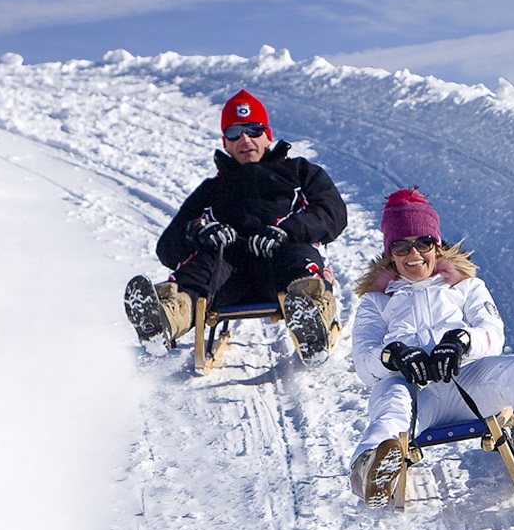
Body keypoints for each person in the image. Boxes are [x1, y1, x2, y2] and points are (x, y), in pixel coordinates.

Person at [347, 188, 514, 506]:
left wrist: (462, 342)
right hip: (416, 397)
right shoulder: (375, 301)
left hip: (468, 386)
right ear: (391, 252)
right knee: (390, 398)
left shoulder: (466, 286)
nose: (413, 253)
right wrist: (393, 356)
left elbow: (493, 333)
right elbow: (364, 363)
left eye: (423, 243)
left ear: (436, 245)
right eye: (402, 245)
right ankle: (370, 470)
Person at [123, 89, 347, 360]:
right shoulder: (212, 189)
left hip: (281, 268)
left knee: (300, 258)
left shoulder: (300, 173)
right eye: (234, 133)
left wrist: (287, 231)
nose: (245, 139)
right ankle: (164, 320)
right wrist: (197, 232)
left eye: (253, 130)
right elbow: (167, 248)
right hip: (227, 277)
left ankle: (313, 321)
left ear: (268, 136)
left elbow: (332, 213)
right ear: (225, 143)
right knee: (200, 268)